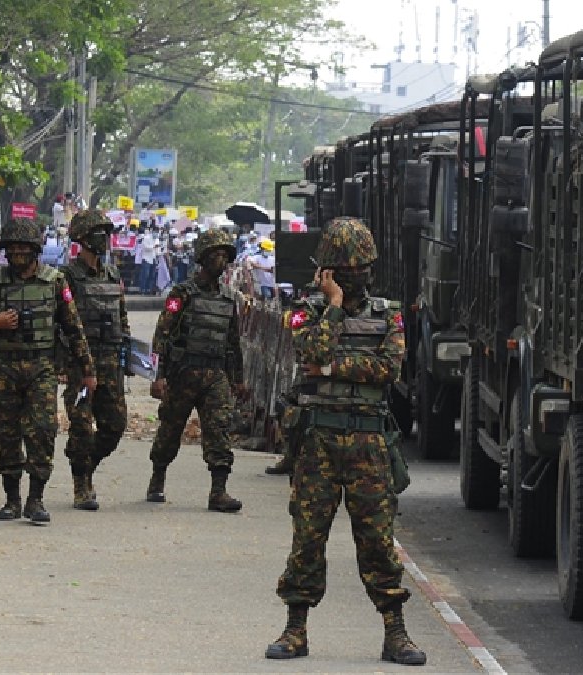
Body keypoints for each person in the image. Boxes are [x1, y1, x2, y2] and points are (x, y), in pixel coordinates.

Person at [265, 217, 425, 666]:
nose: (355, 276)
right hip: (317, 440)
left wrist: (332, 367)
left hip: (369, 443)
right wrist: (333, 306)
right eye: (345, 270)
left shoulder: (388, 314)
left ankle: (395, 632)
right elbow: (310, 352)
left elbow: (388, 369)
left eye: (359, 268)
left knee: (377, 540)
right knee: (308, 537)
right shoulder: (307, 310)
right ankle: (295, 628)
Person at [0, 218, 96, 524]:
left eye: (23, 248)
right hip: (4, 369)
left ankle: (35, 499)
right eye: (12, 248)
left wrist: (87, 369)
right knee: (7, 433)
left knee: (42, 430)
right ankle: (12, 500)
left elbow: (73, 327)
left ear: (35, 250)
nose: (17, 253)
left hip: (42, 368)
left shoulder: (54, 281)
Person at [145, 228, 246, 512]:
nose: (221, 261)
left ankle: (219, 491)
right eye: (216, 254)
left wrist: (238, 380)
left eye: (225, 255)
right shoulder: (182, 294)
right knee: (170, 429)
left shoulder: (229, 299)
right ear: (203, 258)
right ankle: (158, 476)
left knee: (219, 430)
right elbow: (162, 335)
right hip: (183, 374)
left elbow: (233, 343)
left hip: (215, 376)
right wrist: (158, 376)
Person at [60, 209, 130, 511]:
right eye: (98, 233)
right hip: (80, 364)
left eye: (106, 233)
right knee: (81, 426)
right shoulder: (67, 276)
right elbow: (60, 321)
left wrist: (127, 355)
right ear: (83, 238)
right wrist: (63, 363)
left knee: (115, 425)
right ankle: (81, 484)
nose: (104, 239)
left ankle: (87, 464)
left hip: (111, 362)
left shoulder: (113, 275)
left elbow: (122, 318)